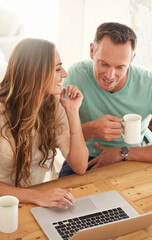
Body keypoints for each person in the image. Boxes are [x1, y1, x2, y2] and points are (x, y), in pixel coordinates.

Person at [59, 22, 152, 178]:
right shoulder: (75, 76)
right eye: (104, 64)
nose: (110, 75)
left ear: (132, 59)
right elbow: (56, 137)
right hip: (83, 157)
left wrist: (122, 152)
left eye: (120, 67)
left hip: (131, 156)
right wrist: (92, 129)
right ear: (92, 51)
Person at [0, 38, 88, 208]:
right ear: (34, 73)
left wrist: (73, 112)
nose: (64, 73)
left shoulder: (54, 104)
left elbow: (80, 166)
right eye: (57, 68)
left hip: (32, 203)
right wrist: (36, 196)